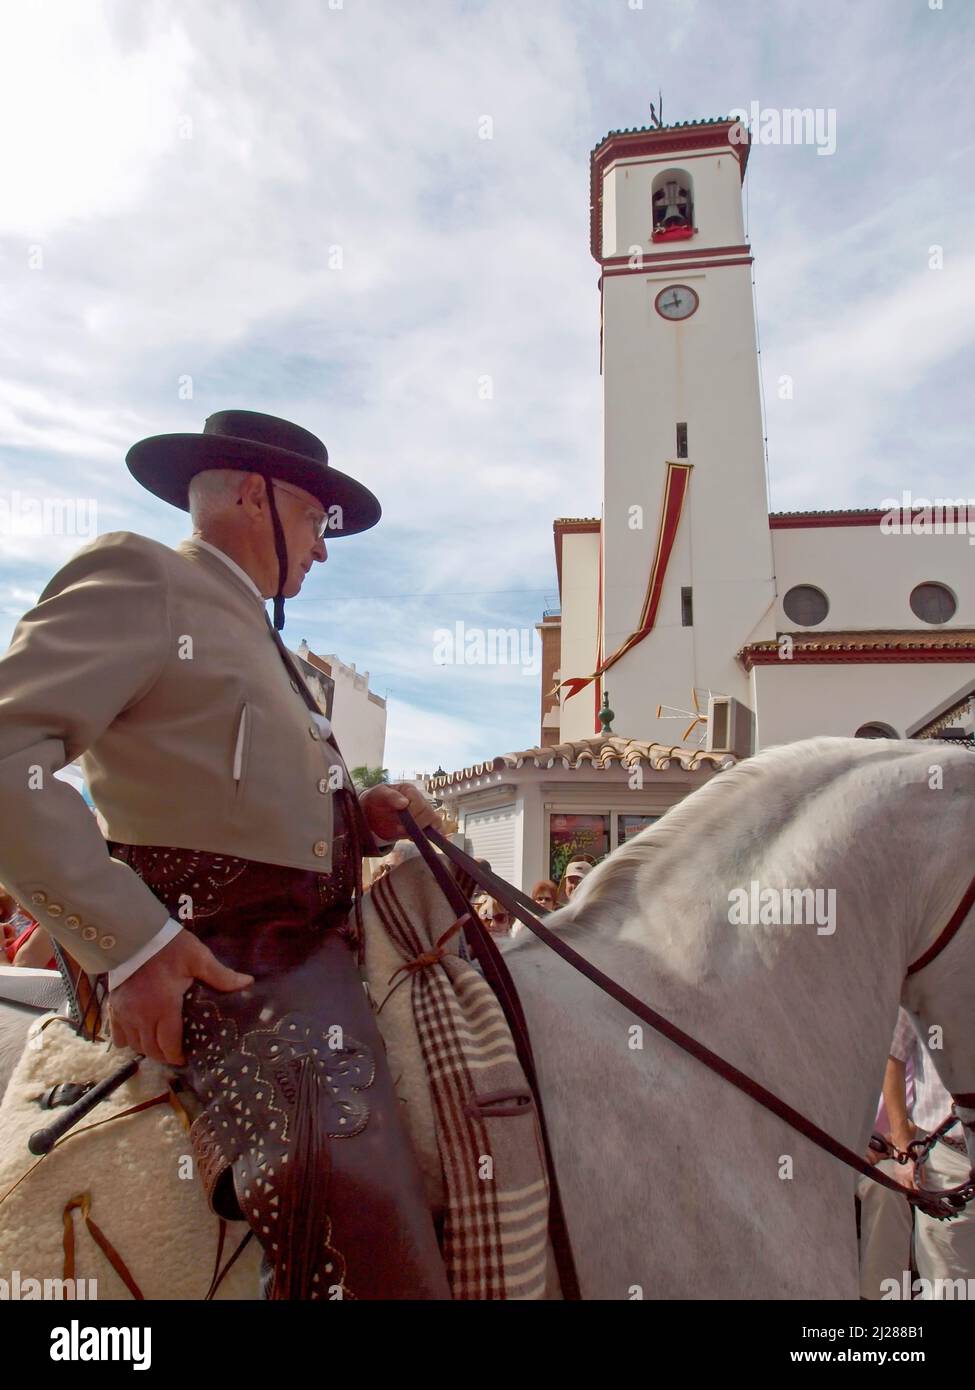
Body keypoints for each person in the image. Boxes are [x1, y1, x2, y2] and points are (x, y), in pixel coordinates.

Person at [0, 409, 449, 1300]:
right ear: (256, 495)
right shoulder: (143, 576)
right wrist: (133, 944)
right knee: (347, 1168)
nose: (322, 552)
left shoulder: (261, 637)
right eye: (319, 523)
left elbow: (239, 802)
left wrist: (361, 818)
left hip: (311, 941)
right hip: (223, 957)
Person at [858, 1007, 975, 1299]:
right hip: (946, 1158)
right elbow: (892, 1058)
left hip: (923, 1146)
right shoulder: (926, 985)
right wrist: (899, 1144)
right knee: (950, 1286)